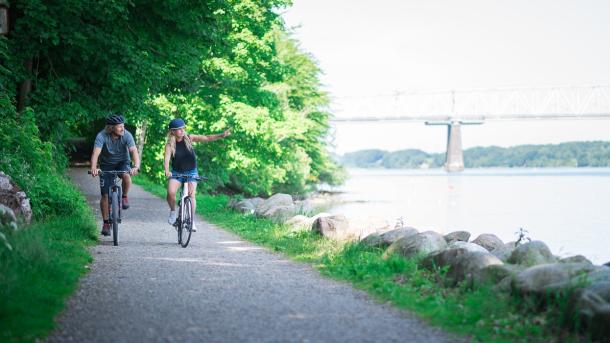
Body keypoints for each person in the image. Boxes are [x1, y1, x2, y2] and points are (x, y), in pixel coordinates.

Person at [164, 118, 230, 231]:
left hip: (191, 172)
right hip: (177, 172)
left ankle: (191, 220)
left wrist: (221, 135)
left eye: (183, 128)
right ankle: (173, 212)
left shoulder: (190, 138)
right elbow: (166, 159)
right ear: (172, 132)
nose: (182, 131)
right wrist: (167, 170)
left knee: (192, 195)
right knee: (170, 193)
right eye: (178, 129)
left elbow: (207, 138)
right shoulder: (170, 144)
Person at [90, 114, 140, 236]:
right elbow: (96, 153)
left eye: (123, 126)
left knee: (126, 175)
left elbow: (133, 151)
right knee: (105, 195)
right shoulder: (101, 136)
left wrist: (136, 166)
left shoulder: (126, 135)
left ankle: (124, 197)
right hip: (106, 165)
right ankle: (106, 223)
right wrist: (94, 168)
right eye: (119, 127)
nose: (123, 129)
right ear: (111, 128)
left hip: (122, 162)